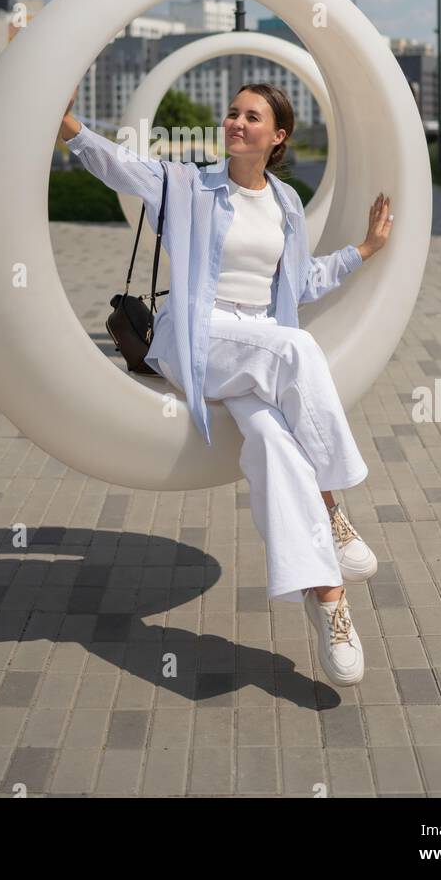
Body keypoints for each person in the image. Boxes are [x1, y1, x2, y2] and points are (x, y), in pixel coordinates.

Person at [57, 83, 393, 687]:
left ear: (278, 135)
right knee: (296, 347)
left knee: (273, 442)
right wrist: (68, 126)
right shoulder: (189, 185)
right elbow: (120, 166)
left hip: (255, 347)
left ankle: (328, 600)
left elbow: (301, 283)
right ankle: (336, 505)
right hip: (201, 339)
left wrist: (364, 250)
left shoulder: (288, 203)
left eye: (251, 116)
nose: (236, 122)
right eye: (233, 112)